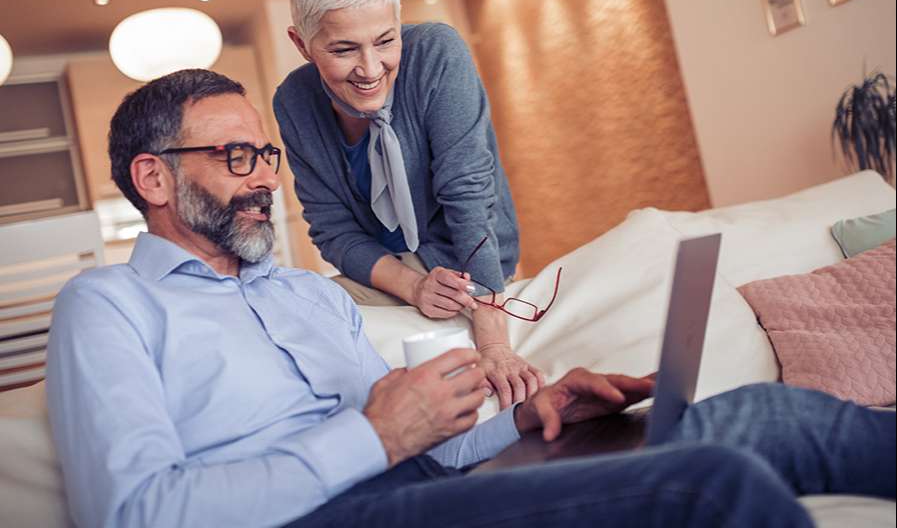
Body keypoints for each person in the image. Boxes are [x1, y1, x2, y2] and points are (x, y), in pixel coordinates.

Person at [46, 69, 894, 528]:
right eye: (236, 158)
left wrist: (527, 417)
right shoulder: (109, 305)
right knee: (707, 488)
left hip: (422, 490)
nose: (264, 178)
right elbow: (135, 514)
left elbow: (427, 450)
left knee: (756, 417)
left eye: (266, 156)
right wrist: (376, 434)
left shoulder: (308, 295)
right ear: (153, 178)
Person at [273, 0, 539, 409]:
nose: (370, 69)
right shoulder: (294, 102)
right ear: (302, 45)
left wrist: (495, 342)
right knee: (295, 317)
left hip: (464, 261)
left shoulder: (437, 53)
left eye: (385, 40)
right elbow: (334, 232)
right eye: (343, 49)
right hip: (384, 273)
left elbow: (468, 193)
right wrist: (413, 286)